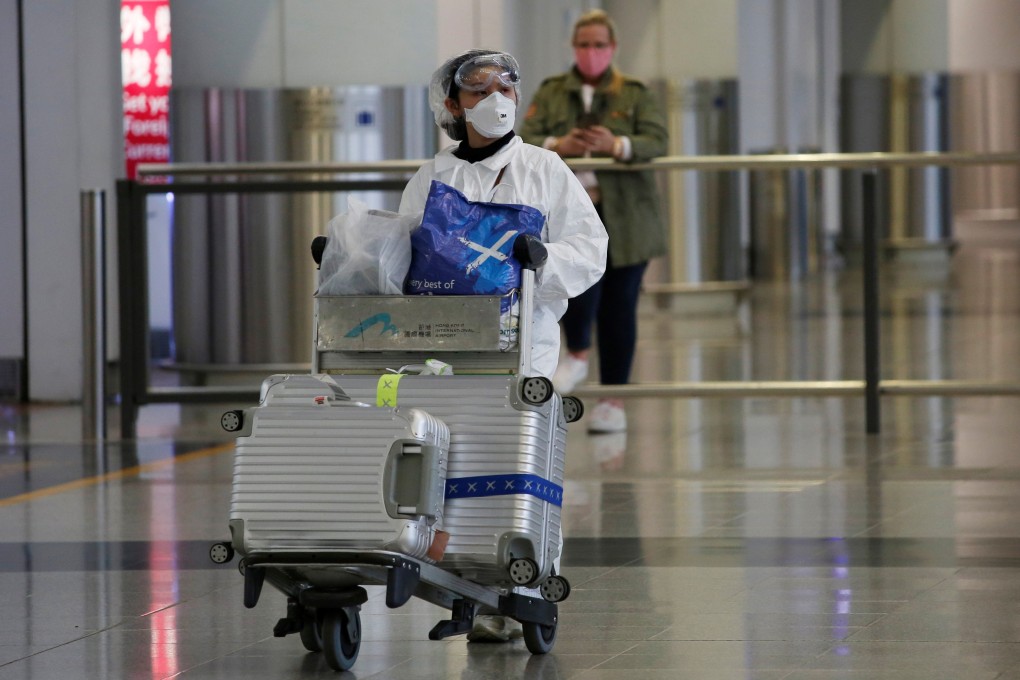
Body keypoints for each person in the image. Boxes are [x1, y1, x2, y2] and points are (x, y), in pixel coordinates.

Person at [398, 49, 608, 642]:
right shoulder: (434, 175)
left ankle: (525, 584)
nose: (495, 100)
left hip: (524, 339)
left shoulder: (544, 169)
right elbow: (401, 248)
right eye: (479, 90)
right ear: (452, 104)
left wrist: (545, 261)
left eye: (506, 89)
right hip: (448, 345)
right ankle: (470, 578)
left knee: (520, 458)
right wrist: (351, 258)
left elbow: (591, 247)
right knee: (452, 458)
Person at [521, 9, 669, 434]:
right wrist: (558, 143)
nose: (591, 53)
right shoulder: (552, 92)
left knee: (620, 308)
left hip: (626, 216)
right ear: (574, 48)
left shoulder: (635, 92)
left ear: (613, 48)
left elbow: (656, 139)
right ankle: (578, 352)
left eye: (599, 45)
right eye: (584, 44)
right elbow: (525, 137)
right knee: (572, 292)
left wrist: (617, 144)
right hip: (570, 215)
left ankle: (614, 399)